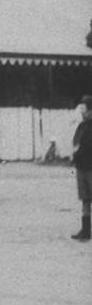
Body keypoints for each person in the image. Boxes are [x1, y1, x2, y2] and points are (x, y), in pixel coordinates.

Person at [71, 95, 92, 241]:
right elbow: (75, 142)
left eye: (84, 108)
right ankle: (85, 231)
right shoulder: (81, 126)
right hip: (81, 167)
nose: (82, 111)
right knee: (85, 199)